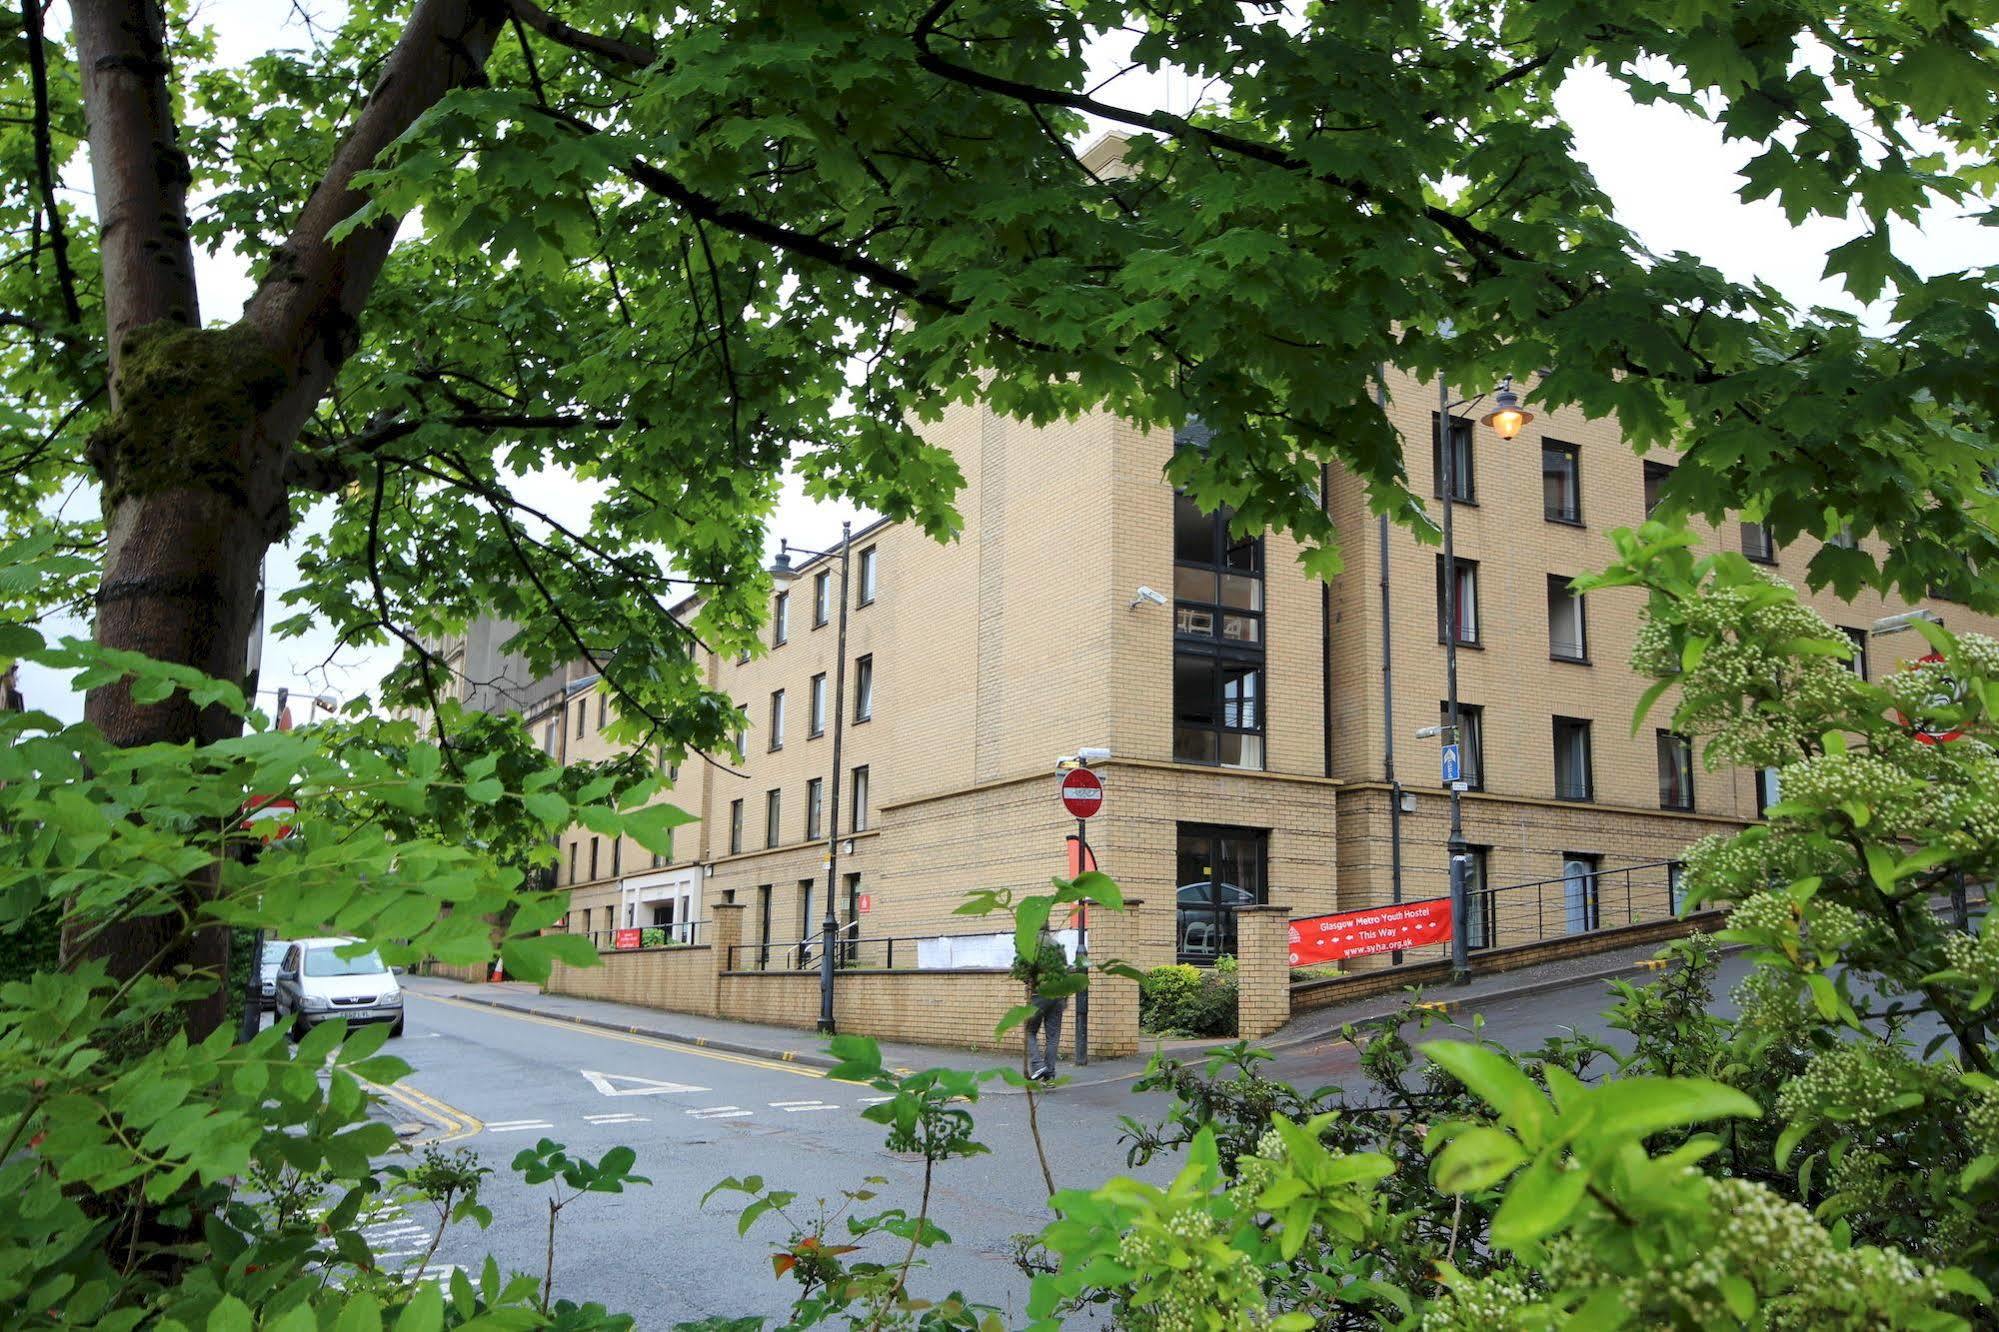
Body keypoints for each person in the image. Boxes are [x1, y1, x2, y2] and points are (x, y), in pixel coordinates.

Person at [1013, 930, 1070, 1082]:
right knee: (1053, 1037)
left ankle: (1038, 1066)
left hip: (1039, 995)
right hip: (1058, 995)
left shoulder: (1031, 944)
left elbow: (1023, 971)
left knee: (1029, 1031)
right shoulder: (1057, 945)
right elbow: (1066, 971)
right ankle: (1049, 1077)